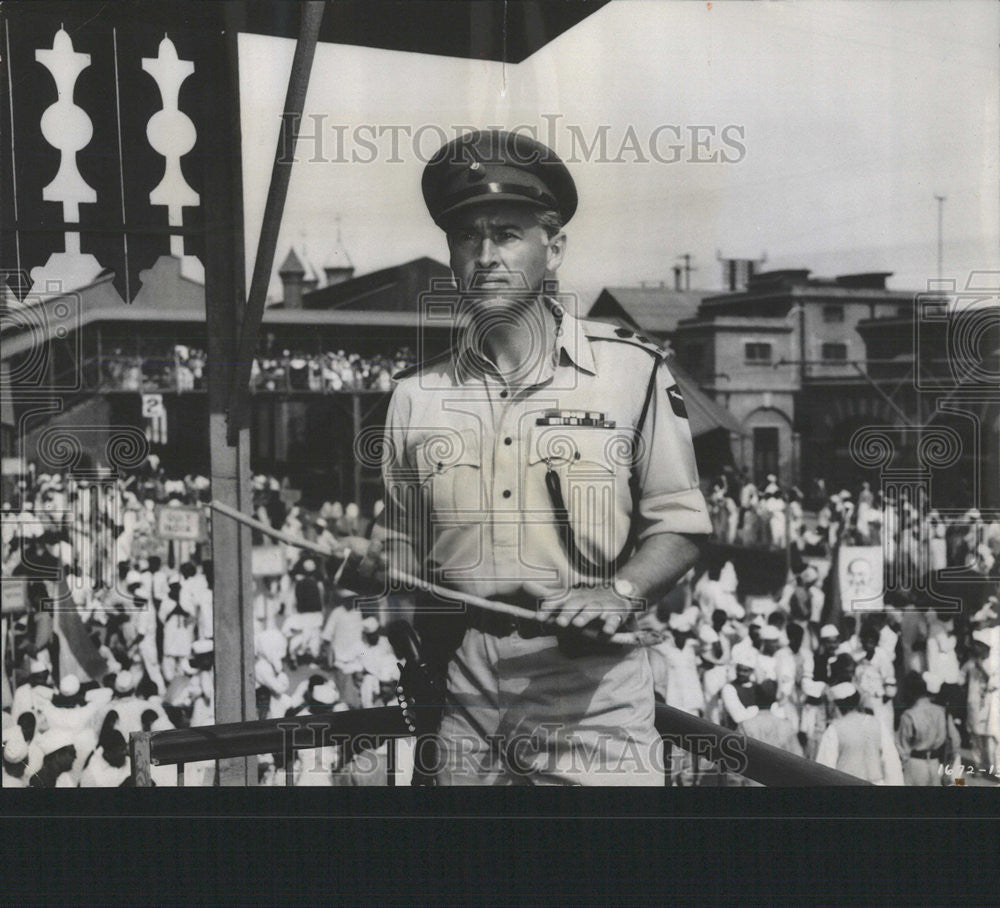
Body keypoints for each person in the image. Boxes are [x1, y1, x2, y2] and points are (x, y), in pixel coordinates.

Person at [367, 129, 711, 785]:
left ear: (552, 248)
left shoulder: (632, 373)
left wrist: (621, 592)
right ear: (451, 255)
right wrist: (389, 575)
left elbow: (681, 524)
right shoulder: (416, 396)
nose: (486, 255)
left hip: (592, 697)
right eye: (469, 237)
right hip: (463, 690)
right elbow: (402, 536)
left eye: (507, 234)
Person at [815, 682, 903, 785]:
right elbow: (892, 764)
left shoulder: (834, 729)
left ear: (836, 706)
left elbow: (825, 768)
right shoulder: (877, 724)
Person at [895, 672, 959, 786]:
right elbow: (955, 742)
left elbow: (902, 749)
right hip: (935, 764)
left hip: (914, 764)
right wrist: (948, 768)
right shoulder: (942, 712)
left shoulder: (909, 715)